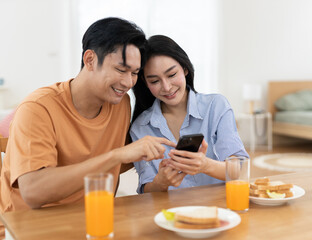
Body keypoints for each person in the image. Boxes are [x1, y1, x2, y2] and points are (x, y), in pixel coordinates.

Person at [0, 18, 175, 237]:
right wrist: (115, 155)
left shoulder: (120, 104)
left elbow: (115, 161)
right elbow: (33, 192)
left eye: (134, 73)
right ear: (90, 59)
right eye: (121, 69)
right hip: (30, 227)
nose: (129, 82)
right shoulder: (38, 108)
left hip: (94, 222)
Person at [131, 35, 249, 194]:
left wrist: (206, 165)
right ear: (145, 83)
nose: (166, 87)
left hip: (220, 210)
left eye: (172, 75)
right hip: (172, 214)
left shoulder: (216, 106)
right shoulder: (140, 127)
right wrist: (160, 182)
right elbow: (147, 190)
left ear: (185, 69)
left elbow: (240, 170)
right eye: (154, 81)